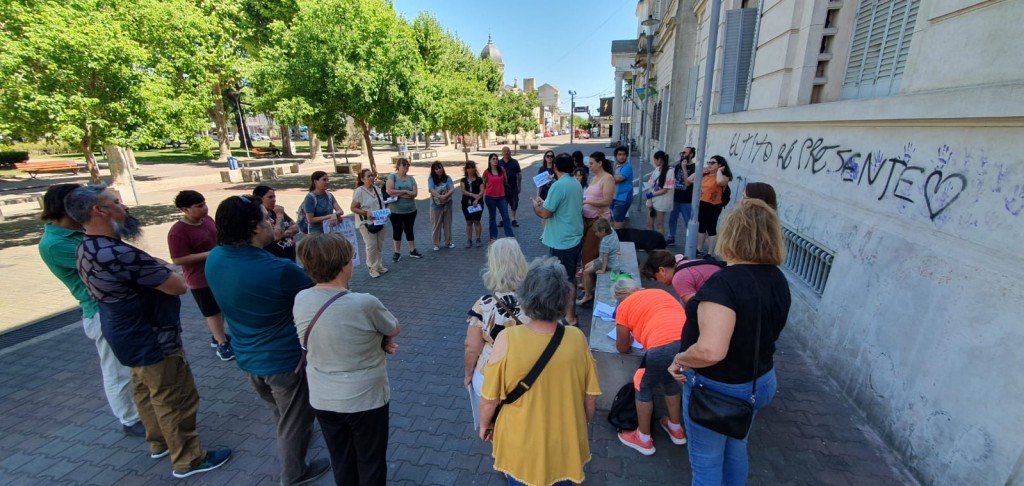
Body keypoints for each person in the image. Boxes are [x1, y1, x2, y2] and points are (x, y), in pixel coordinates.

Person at [66, 185, 230, 478]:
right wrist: (164, 270)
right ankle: (188, 459)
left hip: (125, 333)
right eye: (116, 202)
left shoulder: (86, 246)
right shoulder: (117, 252)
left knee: (144, 390)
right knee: (175, 396)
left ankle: (159, 442)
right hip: (152, 336)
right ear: (98, 211)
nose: (124, 207)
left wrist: (159, 269)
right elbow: (178, 285)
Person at [205, 196, 330, 486]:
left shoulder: (215, 257)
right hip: (283, 360)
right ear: (253, 226)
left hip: (247, 356)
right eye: (266, 217)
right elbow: (320, 293)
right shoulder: (278, 270)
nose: (271, 221)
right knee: (293, 419)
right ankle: (294, 473)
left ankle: (296, 438)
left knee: (280, 411)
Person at [669, 199, 791, 485]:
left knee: (706, 462)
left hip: (720, 388)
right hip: (759, 380)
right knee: (736, 447)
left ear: (731, 233)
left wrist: (680, 360)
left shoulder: (725, 283)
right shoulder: (777, 278)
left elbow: (711, 350)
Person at [478, 257, 601, 486]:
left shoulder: (507, 339)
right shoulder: (577, 338)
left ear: (525, 297)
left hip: (520, 444)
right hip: (565, 445)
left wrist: (485, 425)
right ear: (564, 300)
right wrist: (578, 425)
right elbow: (591, 396)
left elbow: (489, 400)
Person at [293, 233, 400, 486]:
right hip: (365, 397)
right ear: (344, 265)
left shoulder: (301, 299)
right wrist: (380, 340)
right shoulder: (364, 303)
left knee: (341, 459)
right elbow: (393, 328)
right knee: (371, 461)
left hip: (323, 396)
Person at [37, 183, 143, 437]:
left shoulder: (80, 232)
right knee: (117, 370)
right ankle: (130, 419)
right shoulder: (54, 244)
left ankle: (141, 410)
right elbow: (110, 261)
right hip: (101, 310)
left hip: (119, 306)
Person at [610, 279, 688, 455]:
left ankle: (643, 439)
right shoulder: (659, 293)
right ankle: (676, 428)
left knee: (642, 384)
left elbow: (622, 347)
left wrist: (630, 336)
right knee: (670, 380)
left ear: (618, 298)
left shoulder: (623, 307)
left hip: (661, 346)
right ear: (636, 288)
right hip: (688, 343)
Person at [463, 238, 529, 430]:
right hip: (526, 375)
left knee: (493, 426)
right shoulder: (534, 299)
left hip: (490, 376)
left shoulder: (484, 304)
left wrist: (468, 374)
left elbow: (471, 347)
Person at [167, 190, 233, 361]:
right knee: (211, 311)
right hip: (200, 279)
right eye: (199, 206)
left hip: (219, 272)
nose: (205, 208)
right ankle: (221, 344)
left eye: (204, 204)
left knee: (222, 307)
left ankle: (218, 335)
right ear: (185, 209)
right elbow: (178, 258)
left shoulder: (208, 220)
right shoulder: (178, 232)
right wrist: (210, 254)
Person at [532, 153, 584, 326]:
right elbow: (558, 206)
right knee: (570, 277)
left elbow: (545, 213)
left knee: (566, 280)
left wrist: (536, 207)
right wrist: (545, 204)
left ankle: (570, 318)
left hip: (563, 240)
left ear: (555, 167)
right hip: (573, 237)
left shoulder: (559, 186)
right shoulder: (574, 183)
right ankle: (569, 314)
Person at [688, 155, 732, 256]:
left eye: (713, 163)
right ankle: (699, 248)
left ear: (720, 165)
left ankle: (711, 253)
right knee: (701, 227)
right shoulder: (705, 175)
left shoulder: (724, 176)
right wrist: (700, 172)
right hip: (701, 203)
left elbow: (720, 182)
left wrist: (719, 171)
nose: (709, 165)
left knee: (711, 228)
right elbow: (690, 180)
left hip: (713, 205)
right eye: (709, 162)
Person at [641, 249, 723, 303]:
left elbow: (695, 307)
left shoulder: (679, 278)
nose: (657, 281)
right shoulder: (684, 263)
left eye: (655, 277)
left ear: (662, 270)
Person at [581, 151, 615, 265]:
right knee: (590, 249)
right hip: (587, 218)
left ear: (600, 163)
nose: (589, 166)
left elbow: (607, 200)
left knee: (589, 250)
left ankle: (588, 275)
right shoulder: (594, 178)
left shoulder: (607, 178)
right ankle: (589, 273)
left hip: (598, 220)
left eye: (591, 163)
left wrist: (586, 202)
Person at [385, 157, 423, 262]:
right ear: (398, 166)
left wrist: (400, 193)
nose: (406, 167)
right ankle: (397, 252)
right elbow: (390, 191)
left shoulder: (411, 179)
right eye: (404, 165)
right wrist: (406, 191)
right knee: (397, 230)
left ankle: (412, 249)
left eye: (408, 165)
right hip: (396, 211)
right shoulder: (392, 177)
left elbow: (414, 194)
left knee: (409, 229)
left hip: (410, 210)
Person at [577, 218, 620, 307]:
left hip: (608, 263)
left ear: (603, 230)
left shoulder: (605, 242)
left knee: (585, 272)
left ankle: (587, 295)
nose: (595, 234)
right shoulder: (611, 231)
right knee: (587, 266)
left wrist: (603, 270)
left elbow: (605, 257)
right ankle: (590, 286)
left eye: (597, 232)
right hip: (612, 259)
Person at [253, 185, 299, 261]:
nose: (274, 200)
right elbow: (277, 236)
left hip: (290, 256)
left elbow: (295, 227)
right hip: (275, 258)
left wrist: (283, 233)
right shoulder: (260, 216)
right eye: (270, 197)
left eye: (274, 197)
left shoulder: (276, 210)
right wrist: (280, 216)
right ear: (260, 198)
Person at [667, 147, 696, 245]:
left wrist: (684, 168)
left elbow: (688, 183)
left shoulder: (694, 168)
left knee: (688, 221)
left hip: (686, 200)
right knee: (672, 219)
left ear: (691, 154)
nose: (682, 154)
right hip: (675, 198)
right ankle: (671, 237)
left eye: (684, 152)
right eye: (681, 152)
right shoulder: (678, 166)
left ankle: (690, 241)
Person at [483, 153, 514, 241]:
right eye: (493, 159)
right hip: (490, 197)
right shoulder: (486, 172)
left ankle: (510, 235)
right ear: (489, 161)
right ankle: (493, 237)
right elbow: (483, 184)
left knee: (505, 216)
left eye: (496, 159)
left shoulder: (502, 170)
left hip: (501, 196)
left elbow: (505, 181)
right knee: (492, 217)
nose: (495, 160)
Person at [645, 150, 675, 235]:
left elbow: (665, 189)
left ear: (659, 160)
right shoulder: (657, 169)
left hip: (662, 201)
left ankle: (659, 243)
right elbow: (651, 184)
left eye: (655, 159)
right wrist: (650, 199)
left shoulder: (670, 171)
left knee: (659, 224)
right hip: (652, 200)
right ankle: (649, 242)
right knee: (649, 223)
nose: (654, 161)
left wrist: (651, 194)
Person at [427, 161, 456, 250]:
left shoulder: (447, 178)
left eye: (440, 167)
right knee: (436, 224)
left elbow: (452, 188)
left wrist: (445, 196)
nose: (439, 170)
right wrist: (440, 197)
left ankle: (448, 242)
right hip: (436, 205)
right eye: (436, 169)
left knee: (447, 224)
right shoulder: (431, 179)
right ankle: (436, 244)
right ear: (433, 170)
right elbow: (431, 189)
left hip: (447, 204)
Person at [461, 161, 484, 248]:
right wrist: (472, 195)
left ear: (475, 169)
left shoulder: (479, 179)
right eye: (468, 168)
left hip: (478, 203)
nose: (470, 170)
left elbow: (482, 191)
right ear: (466, 170)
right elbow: (463, 191)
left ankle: (478, 238)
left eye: (472, 168)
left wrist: (477, 199)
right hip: (466, 203)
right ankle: (469, 239)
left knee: (477, 221)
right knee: (469, 222)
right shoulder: (463, 180)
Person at [499, 146, 522, 227]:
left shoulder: (515, 162)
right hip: (502, 188)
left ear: (510, 152)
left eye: (508, 151)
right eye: (504, 151)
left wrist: (519, 185)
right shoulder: (499, 163)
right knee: (502, 204)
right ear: (502, 153)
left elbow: (519, 174)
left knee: (514, 203)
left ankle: (513, 219)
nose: (506, 152)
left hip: (513, 187)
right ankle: (503, 219)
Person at [611, 146, 634, 230]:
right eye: (619, 154)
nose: (622, 157)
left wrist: (606, 177)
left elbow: (618, 179)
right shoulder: (615, 165)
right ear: (616, 156)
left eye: (624, 154)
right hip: (614, 196)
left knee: (618, 219)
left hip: (623, 198)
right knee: (613, 218)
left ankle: (619, 238)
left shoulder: (628, 166)